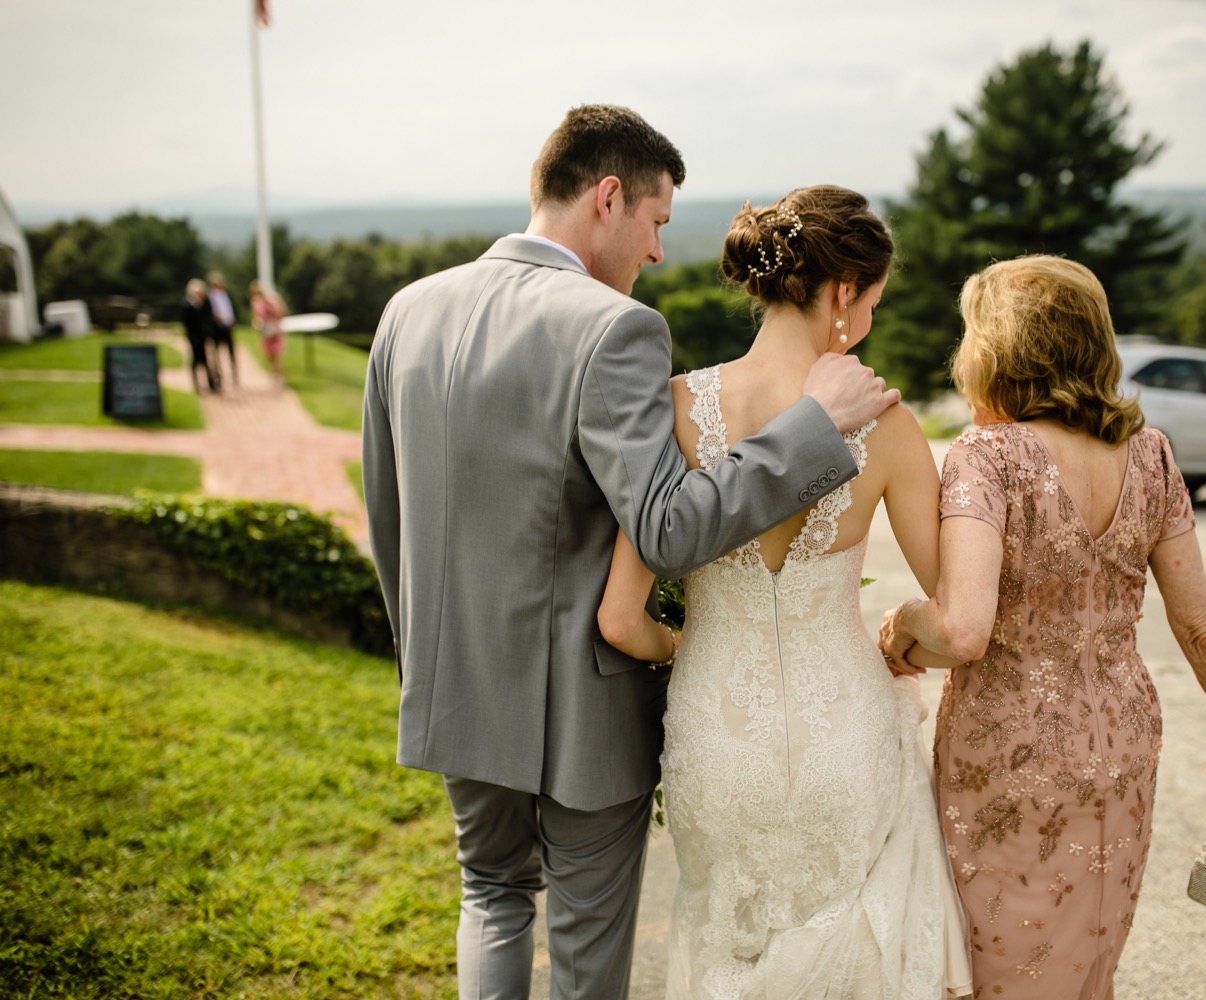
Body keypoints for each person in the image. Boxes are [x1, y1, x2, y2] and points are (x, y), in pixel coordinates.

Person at [361, 106, 896, 1000]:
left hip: (455, 685)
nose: (656, 250)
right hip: (584, 709)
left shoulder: (407, 312)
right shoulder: (614, 328)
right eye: (655, 221)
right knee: (585, 953)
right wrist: (812, 429)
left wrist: (428, 658)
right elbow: (668, 529)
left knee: (490, 896)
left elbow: (388, 515)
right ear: (608, 197)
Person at [597, 185, 973, 999]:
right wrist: (902, 635)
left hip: (718, 738)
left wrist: (684, 644)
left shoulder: (674, 410)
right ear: (844, 291)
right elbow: (957, 620)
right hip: (846, 736)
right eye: (871, 303)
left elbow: (621, 620)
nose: (867, 320)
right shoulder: (888, 426)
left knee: (726, 946)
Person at [880, 256, 1206, 1000]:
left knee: (1002, 967)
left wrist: (899, 625)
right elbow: (1202, 628)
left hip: (1009, 753)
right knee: (1090, 956)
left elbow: (961, 630)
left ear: (997, 346)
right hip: (1122, 741)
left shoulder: (988, 457)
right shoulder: (1150, 454)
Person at [179, 278, 217, 394]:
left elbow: (209, 317)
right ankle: (196, 384)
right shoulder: (186, 304)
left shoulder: (205, 303)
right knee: (195, 360)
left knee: (207, 359)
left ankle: (211, 383)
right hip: (193, 336)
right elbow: (185, 322)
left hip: (203, 335)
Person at [206, 271, 239, 387]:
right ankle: (219, 376)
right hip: (217, 328)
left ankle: (234, 375)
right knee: (216, 353)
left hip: (227, 326)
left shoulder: (225, 295)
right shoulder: (210, 297)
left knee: (231, 352)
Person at [249, 280, 287, 379]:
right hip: (265, 329)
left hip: (274, 328)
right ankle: (274, 372)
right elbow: (257, 316)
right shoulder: (256, 302)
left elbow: (280, 312)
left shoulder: (272, 299)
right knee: (269, 352)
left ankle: (278, 373)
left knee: (276, 353)